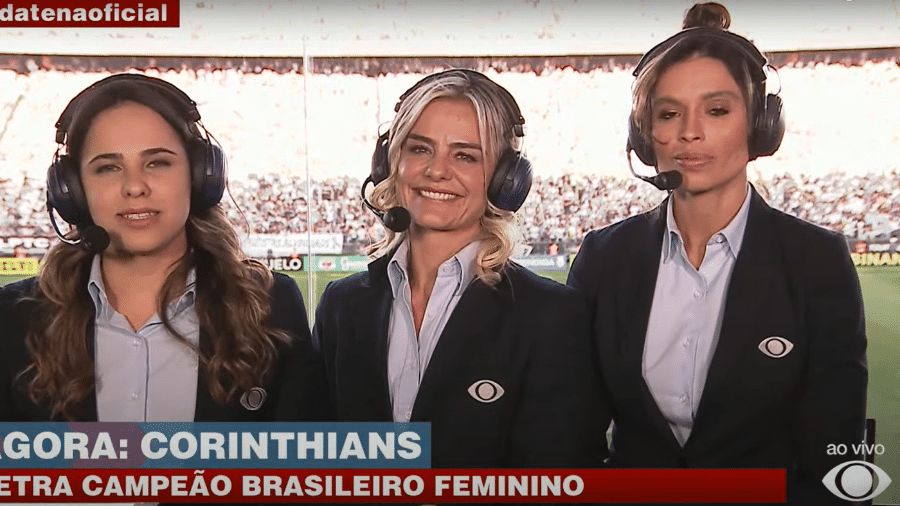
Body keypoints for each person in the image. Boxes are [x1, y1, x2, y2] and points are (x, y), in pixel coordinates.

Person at [568, 3, 867, 504]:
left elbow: (836, 465)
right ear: (644, 136)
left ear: (760, 126)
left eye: (717, 109)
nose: (690, 131)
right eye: (668, 113)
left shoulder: (819, 261)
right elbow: (571, 439)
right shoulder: (604, 257)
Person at [313, 68, 608, 468]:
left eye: (465, 155)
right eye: (419, 149)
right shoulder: (341, 305)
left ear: (506, 180)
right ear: (389, 163)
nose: (437, 170)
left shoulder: (551, 315)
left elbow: (559, 475)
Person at [0, 73, 327, 422]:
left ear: (201, 176)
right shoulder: (12, 318)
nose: (135, 186)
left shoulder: (272, 306)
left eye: (157, 162)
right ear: (72, 191)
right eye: (108, 168)